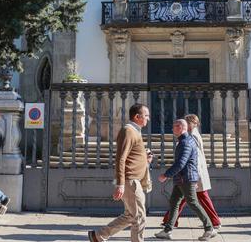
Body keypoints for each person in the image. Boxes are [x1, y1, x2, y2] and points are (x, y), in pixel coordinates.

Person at [88, 103, 153, 242]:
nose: (148, 118)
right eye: (146, 115)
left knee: (130, 215)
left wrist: (145, 159)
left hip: (133, 180)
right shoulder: (128, 131)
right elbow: (120, 158)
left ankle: (98, 236)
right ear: (137, 117)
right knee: (139, 217)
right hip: (130, 181)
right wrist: (120, 184)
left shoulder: (135, 131)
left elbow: (131, 156)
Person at [155, 119, 217, 241]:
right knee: (174, 202)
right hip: (182, 178)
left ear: (181, 127)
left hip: (186, 178)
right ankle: (167, 230)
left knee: (193, 203)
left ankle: (209, 228)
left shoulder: (186, 142)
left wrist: (166, 175)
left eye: (174, 126)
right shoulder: (184, 141)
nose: (172, 129)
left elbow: (180, 163)